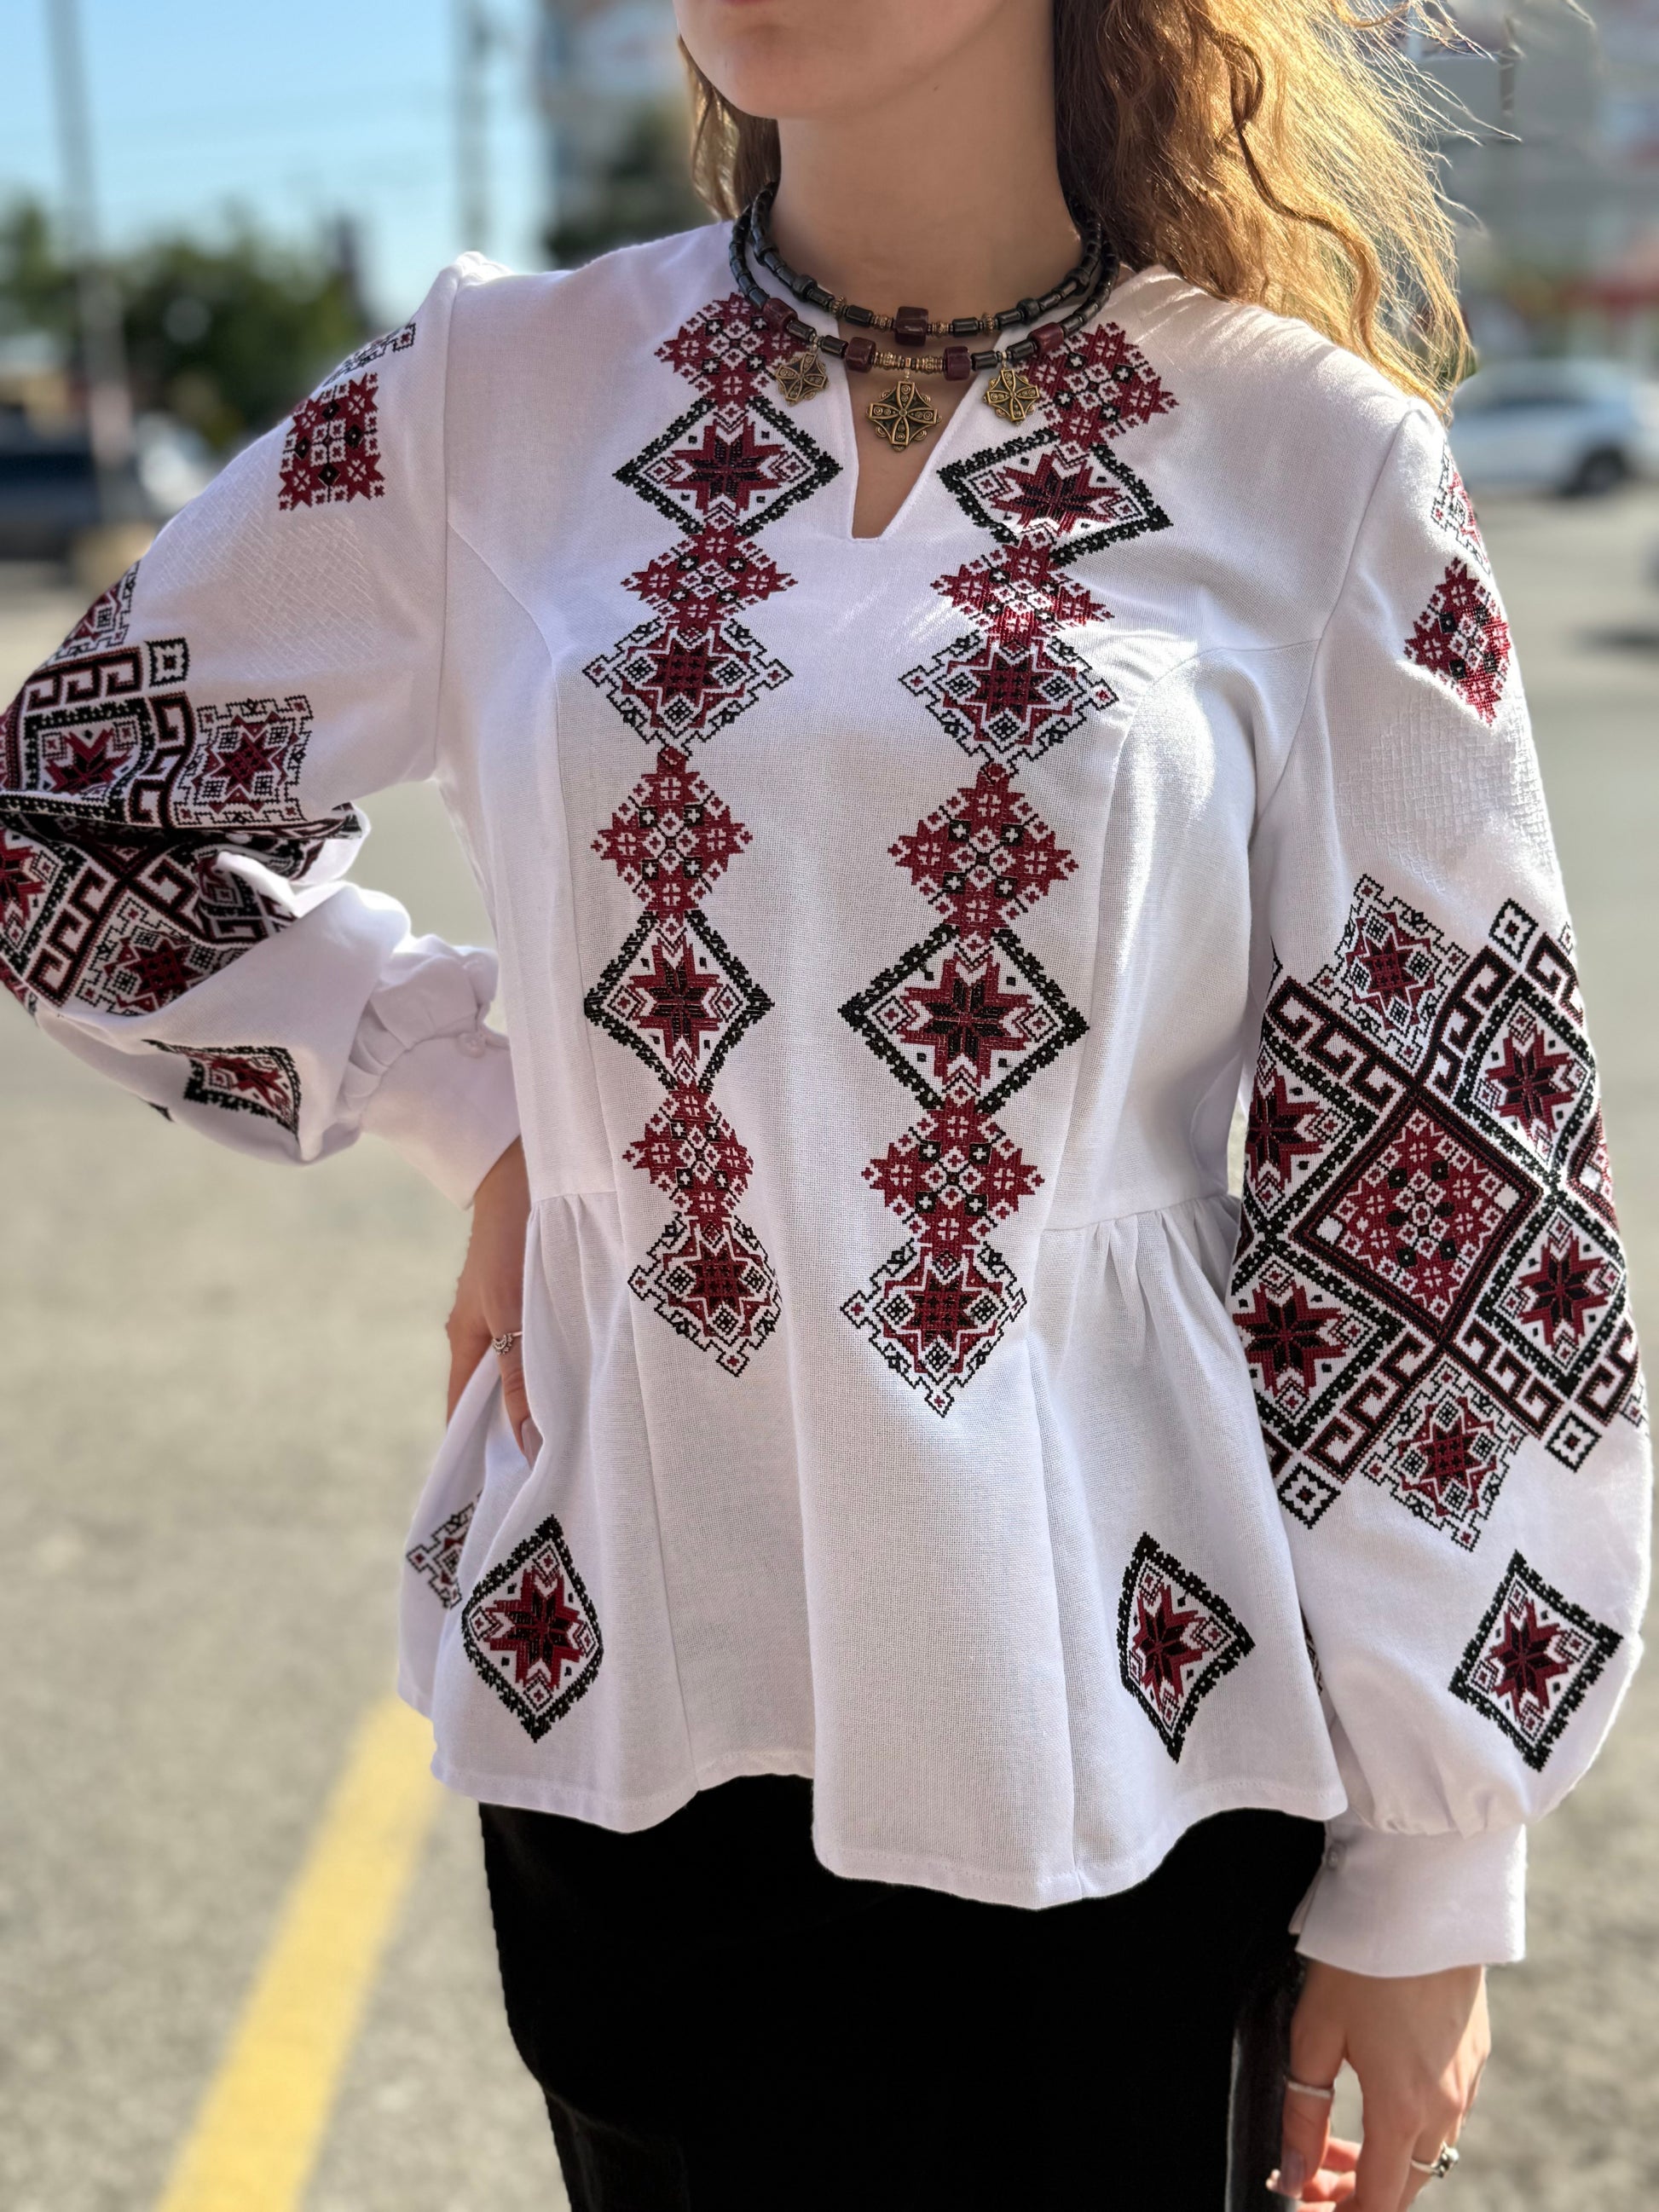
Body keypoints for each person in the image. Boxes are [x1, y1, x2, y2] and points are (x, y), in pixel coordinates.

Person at [2, 1, 1648, 2205]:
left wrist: (1433, 1868)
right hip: (638, 1713)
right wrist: (470, 1096)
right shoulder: (494, 399)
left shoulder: (1316, 463)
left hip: (1115, 1728)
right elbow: (66, 813)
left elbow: (1453, 1171)